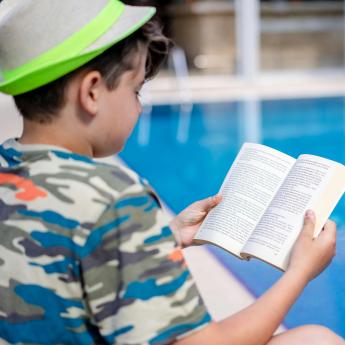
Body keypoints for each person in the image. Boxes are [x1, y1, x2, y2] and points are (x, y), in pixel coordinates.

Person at [0, 0, 343, 344]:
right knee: (317, 339)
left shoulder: (7, 167)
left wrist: (168, 234)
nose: (140, 105)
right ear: (91, 92)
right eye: (135, 90)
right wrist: (300, 272)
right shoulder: (116, 199)